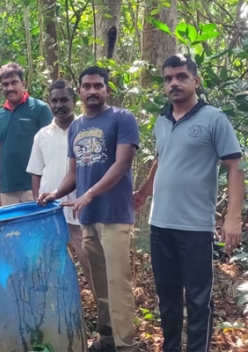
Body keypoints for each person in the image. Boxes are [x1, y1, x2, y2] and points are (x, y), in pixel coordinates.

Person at [134, 54, 244, 352]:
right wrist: (144, 192)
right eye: (169, 78)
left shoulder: (214, 119)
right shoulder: (161, 119)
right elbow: (162, 159)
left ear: (196, 80)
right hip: (160, 225)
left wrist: (233, 217)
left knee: (198, 300)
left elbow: (235, 166)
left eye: (181, 76)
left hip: (195, 227)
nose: (174, 83)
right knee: (167, 298)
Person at [40, 66, 140, 352]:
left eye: (98, 85)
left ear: (107, 89)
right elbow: (73, 172)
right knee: (99, 284)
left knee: (117, 283)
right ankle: (107, 337)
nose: (93, 90)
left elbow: (122, 164)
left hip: (114, 215)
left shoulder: (122, 118)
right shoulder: (77, 126)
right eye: (87, 86)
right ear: (80, 90)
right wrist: (55, 194)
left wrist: (90, 194)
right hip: (89, 218)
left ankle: (126, 345)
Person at [27, 79, 93, 289]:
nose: (59, 105)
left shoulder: (87, 129)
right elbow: (36, 173)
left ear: (73, 100)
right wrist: (38, 204)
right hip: (50, 212)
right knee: (53, 266)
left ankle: (104, 316)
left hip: (79, 210)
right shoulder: (42, 135)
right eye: (54, 101)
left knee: (90, 265)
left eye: (64, 100)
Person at [0, 62, 53, 207]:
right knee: (10, 229)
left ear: (23, 83)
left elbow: (51, 148)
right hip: (7, 189)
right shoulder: (0, 115)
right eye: (5, 84)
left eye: (14, 83)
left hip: (33, 187)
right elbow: (0, 152)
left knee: (35, 228)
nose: (10, 88)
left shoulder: (39, 109)